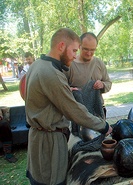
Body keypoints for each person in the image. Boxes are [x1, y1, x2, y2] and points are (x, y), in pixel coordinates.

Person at [25, 28, 112, 185]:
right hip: (49, 141)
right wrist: (103, 126)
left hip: (38, 137)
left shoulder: (37, 65)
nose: (74, 55)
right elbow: (74, 111)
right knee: (51, 180)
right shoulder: (51, 73)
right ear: (61, 46)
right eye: (73, 50)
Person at [65, 32, 112, 119]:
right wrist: (69, 90)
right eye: (86, 49)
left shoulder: (99, 63)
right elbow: (60, 88)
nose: (89, 53)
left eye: (92, 50)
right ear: (79, 46)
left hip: (98, 112)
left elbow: (108, 83)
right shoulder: (69, 65)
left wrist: (102, 85)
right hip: (77, 113)